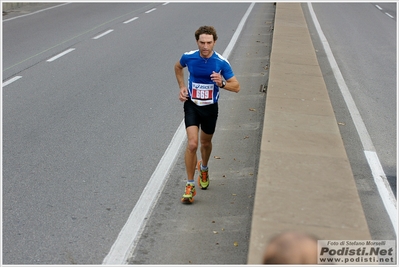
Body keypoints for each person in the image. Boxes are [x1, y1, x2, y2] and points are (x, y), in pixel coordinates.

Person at [174, 26, 240, 204]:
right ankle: (189, 184)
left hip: (210, 108)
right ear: (197, 42)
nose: (205, 46)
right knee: (193, 144)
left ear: (214, 42)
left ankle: (204, 167)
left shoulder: (221, 62)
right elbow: (178, 67)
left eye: (209, 43)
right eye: (202, 42)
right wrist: (181, 86)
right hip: (192, 105)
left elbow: (237, 86)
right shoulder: (189, 57)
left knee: (205, 143)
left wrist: (222, 83)